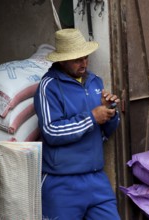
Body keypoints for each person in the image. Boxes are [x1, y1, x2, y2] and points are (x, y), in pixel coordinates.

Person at [34, 28, 121, 220]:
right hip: (62, 183)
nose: (84, 63)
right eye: (77, 59)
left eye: (85, 57)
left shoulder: (95, 82)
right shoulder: (48, 87)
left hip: (96, 178)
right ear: (62, 60)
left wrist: (110, 113)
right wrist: (92, 118)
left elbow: (106, 133)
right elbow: (51, 131)